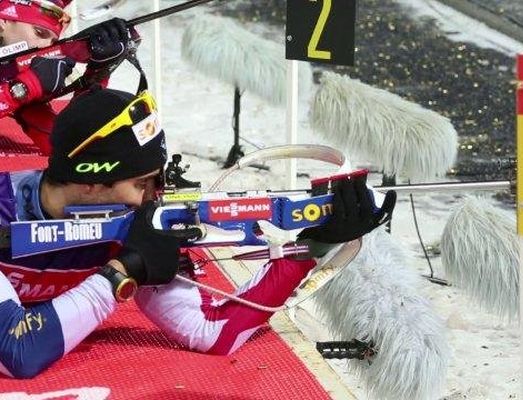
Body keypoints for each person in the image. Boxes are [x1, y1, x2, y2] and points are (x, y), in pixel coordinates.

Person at [0, 87, 397, 379]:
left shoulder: (131, 221)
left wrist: (312, 246)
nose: (154, 198)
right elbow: (18, 352)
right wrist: (121, 273)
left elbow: (211, 332)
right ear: (89, 183)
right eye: (142, 183)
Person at [0, 0, 129, 154]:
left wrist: (98, 71)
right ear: (4, 21)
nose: (45, 47)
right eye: (39, 32)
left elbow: (69, 147)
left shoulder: (13, 71)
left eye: (53, 42)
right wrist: (24, 88)